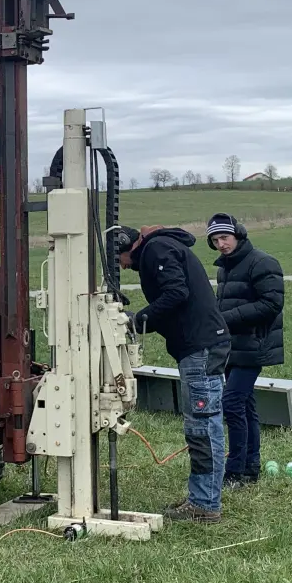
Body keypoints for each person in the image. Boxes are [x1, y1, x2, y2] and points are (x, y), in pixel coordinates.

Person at [110, 224, 232, 523]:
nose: (123, 268)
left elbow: (176, 293)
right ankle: (203, 498)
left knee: (202, 427)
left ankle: (204, 504)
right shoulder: (163, 247)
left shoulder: (157, 249)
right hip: (202, 344)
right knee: (204, 424)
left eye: (119, 260)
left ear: (126, 245)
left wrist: (138, 319)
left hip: (199, 347)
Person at [207, 213, 285, 489]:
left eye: (224, 238)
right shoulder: (224, 269)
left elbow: (272, 304)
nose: (221, 244)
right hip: (232, 347)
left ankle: (235, 470)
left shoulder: (262, 262)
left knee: (231, 403)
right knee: (245, 404)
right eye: (215, 240)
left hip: (255, 345)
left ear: (238, 235)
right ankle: (251, 468)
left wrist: (226, 318)